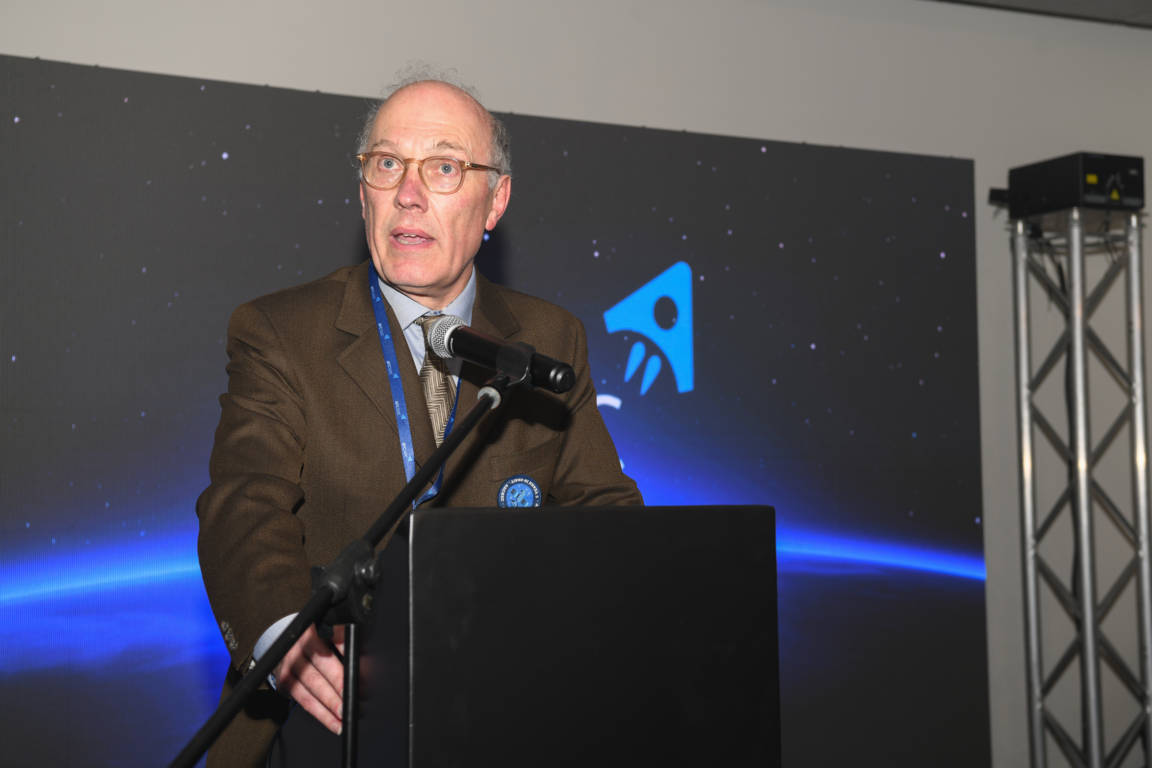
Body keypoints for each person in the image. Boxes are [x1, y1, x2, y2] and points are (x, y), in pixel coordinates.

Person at [196, 72, 643, 767]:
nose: (408, 192)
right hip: (328, 717)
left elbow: (606, 516)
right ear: (364, 192)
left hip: (503, 717)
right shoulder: (280, 332)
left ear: (495, 200)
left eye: (443, 167)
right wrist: (286, 635)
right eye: (387, 164)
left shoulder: (548, 340)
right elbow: (244, 504)